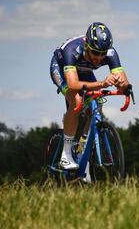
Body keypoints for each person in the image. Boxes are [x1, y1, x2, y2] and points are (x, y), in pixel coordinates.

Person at [49, 22, 129, 172]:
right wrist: (103, 83)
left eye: (102, 54)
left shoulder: (110, 52)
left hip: (83, 71)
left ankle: (83, 145)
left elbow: (125, 83)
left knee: (97, 101)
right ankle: (65, 155)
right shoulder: (72, 50)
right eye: (95, 53)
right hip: (61, 69)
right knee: (76, 101)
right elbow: (73, 85)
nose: (99, 58)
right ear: (87, 46)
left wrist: (121, 84)